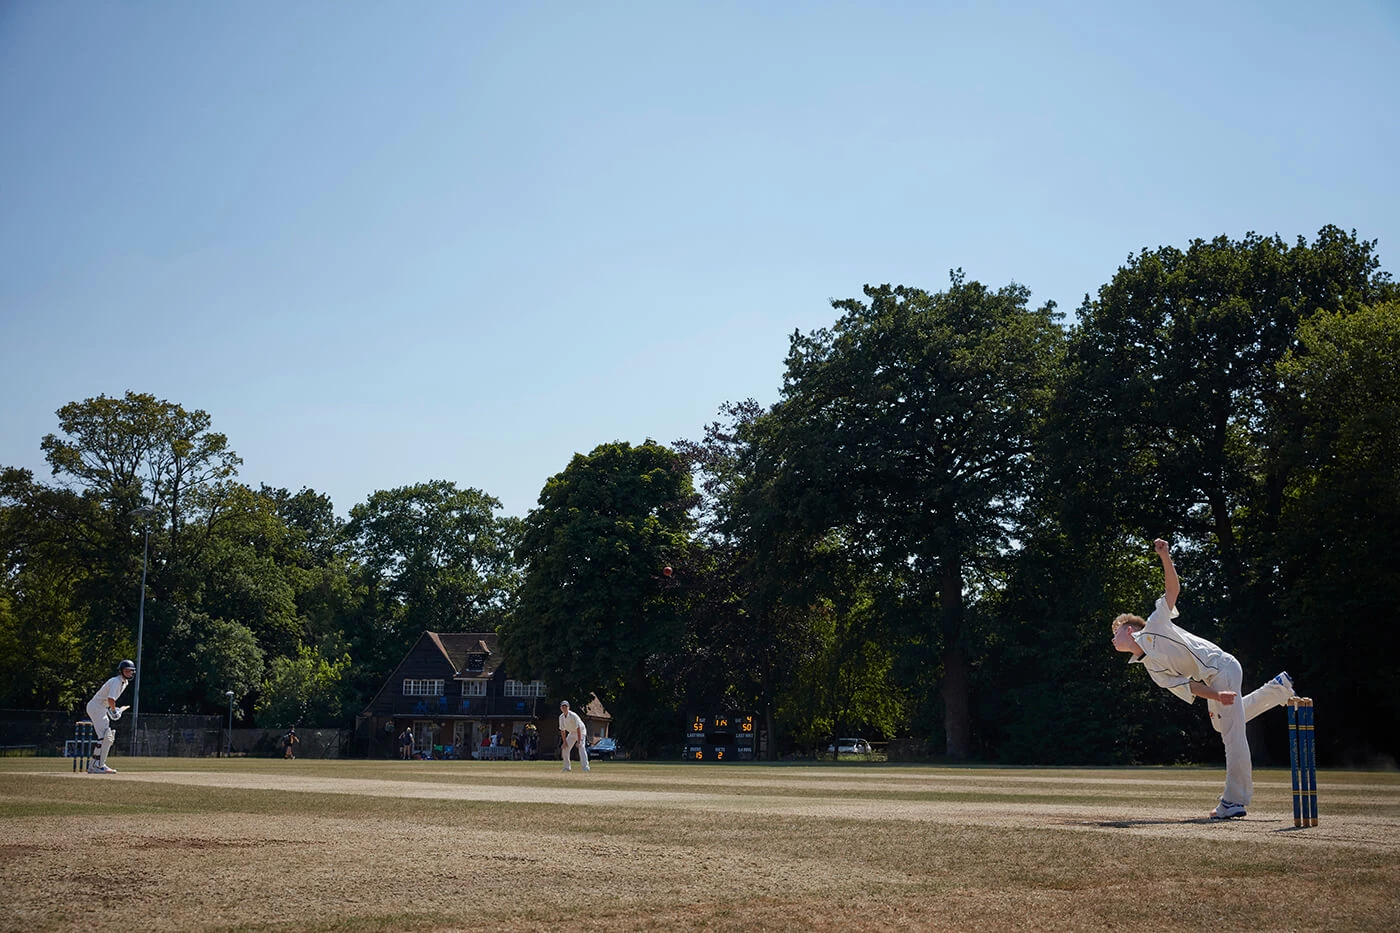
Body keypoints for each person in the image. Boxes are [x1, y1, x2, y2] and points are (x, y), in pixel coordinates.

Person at [1111, 539, 1295, 819]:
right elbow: (1187, 686)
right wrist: (1217, 696)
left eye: (1116, 630)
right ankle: (1277, 690)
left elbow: (1172, 590)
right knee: (1225, 724)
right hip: (1213, 678)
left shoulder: (1154, 624)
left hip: (1222, 667)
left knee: (1233, 735)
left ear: (1130, 630)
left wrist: (1165, 555)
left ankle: (1234, 801)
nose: (1113, 637)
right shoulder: (1150, 667)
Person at [84, 659, 135, 774]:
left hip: (101, 708)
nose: (129, 673)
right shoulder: (116, 681)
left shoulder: (124, 683)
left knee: (107, 736)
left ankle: (95, 765)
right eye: (126, 671)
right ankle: (98, 765)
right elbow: (110, 699)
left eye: (131, 671)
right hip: (97, 707)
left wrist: (112, 710)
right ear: (121, 671)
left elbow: (109, 700)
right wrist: (113, 711)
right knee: (106, 737)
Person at [558, 700, 589, 773]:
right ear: (561, 708)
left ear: (568, 707)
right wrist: (564, 742)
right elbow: (562, 730)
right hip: (571, 732)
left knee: (581, 748)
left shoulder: (573, 715)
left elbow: (578, 728)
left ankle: (586, 768)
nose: (564, 708)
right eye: (563, 707)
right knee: (565, 749)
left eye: (566, 706)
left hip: (581, 732)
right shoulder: (561, 717)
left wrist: (579, 741)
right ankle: (567, 768)